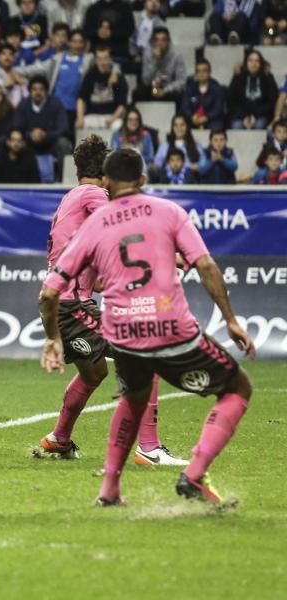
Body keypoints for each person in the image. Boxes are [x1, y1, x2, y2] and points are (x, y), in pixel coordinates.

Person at [40, 146, 255, 505]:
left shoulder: (92, 220)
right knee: (238, 387)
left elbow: (50, 291)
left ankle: (107, 488)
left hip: (120, 327)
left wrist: (51, 339)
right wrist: (230, 319)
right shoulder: (166, 211)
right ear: (143, 178)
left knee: (129, 390)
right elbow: (205, 266)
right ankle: (186, 470)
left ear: (108, 180)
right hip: (167, 323)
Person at [36, 136, 175, 464]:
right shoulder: (94, 195)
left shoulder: (72, 197)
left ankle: (59, 439)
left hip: (65, 303)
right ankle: (149, 448)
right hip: (72, 306)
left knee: (93, 374)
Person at [16, 28, 90, 126]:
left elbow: (108, 63)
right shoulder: (57, 59)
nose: (77, 45)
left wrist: (115, 71)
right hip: (55, 106)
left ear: (84, 44)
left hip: (76, 108)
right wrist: (15, 71)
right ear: (69, 42)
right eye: (74, 41)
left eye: (80, 42)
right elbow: (35, 68)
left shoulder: (88, 59)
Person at [12, 75, 72, 176]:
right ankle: (19, 178)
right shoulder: (23, 105)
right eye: (34, 89)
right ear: (30, 91)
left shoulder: (55, 104)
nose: (38, 92)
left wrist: (45, 135)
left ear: (46, 91)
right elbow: (17, 127)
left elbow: (63, 128)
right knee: (15, 142)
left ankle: (62, 178)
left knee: (64, 144)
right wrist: (30, 135)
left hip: (50, 143)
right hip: (29, 143)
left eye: (41, 89)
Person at [75, 45, 126, 131]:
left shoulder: (117, 77)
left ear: (110, 59)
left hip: (110, 116)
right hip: (92, 116)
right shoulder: (90, 75)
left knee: (118, 125)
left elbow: (122, 105)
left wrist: (113, 118)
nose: (102, 62)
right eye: (99, 59)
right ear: (95, 60)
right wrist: (80, 118)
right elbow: (81, 99)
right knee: (80, 125)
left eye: (105, 58)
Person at [227, 49, 279, 130]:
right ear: (246, 63)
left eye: (257, 61)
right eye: (250, 60)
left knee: (259, 125)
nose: (253, 64)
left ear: (261, 63)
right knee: (236, 126)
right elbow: (231, 101)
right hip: (241, 115)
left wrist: (255, 115)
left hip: (262, 115)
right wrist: (244, 116)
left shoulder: (268, 77)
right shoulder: (238, 77)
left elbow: (272, 101)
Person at [133, 27, 186, 104]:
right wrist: (154, 61)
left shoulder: (177, 55)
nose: (159, 43)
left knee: (179, 95)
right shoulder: (148, 54)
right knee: (137, 93)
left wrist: (165, 90)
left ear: (168, 41)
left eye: (163, 40)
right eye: (157, 40)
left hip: (168, 88)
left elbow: (181, 81)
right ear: (153, 42)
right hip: (153, 88)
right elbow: (145, 81)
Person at [82, 0, 134, 64]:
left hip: (119, 55)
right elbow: (86, 30)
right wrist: (97, 33)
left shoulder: (125, 7)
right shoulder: (93, 8)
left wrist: (112, 33)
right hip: (96, 56)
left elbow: (129, 29)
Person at [180, 60, 226, 131]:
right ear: (196, 73)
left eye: (204, 71)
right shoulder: (190, 88)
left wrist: (206, 117)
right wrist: (192, 116)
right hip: (193, 118)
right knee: (181, 124)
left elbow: (218, 108)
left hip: (211, 120)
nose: (201, 74)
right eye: (199, 71)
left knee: (217, 126)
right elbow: (185, 107)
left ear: (209, 72)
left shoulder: (217, 88)